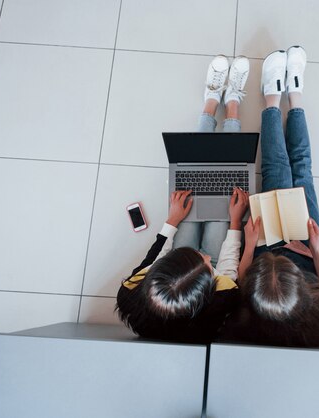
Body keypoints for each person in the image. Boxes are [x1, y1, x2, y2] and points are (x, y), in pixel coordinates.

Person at [221, 46, 319, 347]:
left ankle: (272, 98)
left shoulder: (248, 316)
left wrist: (251, 244)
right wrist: (316, 252)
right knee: (303, 172)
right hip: (309, 257)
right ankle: (294, 97)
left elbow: (241, 282)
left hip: (266, 249)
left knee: (278, 171)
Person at [116, 55, 250, 343]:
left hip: (183, 275)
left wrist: (171, 220)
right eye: (204, 261)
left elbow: (156, 256)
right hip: (201, 284)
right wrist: (236, 222)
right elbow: (225, 270)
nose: (204, 255)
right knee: (225, 201)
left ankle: (211, 101)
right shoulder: (221, 299)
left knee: (191, 181)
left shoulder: (131, 290)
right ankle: (234, 106)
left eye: (196, 257)